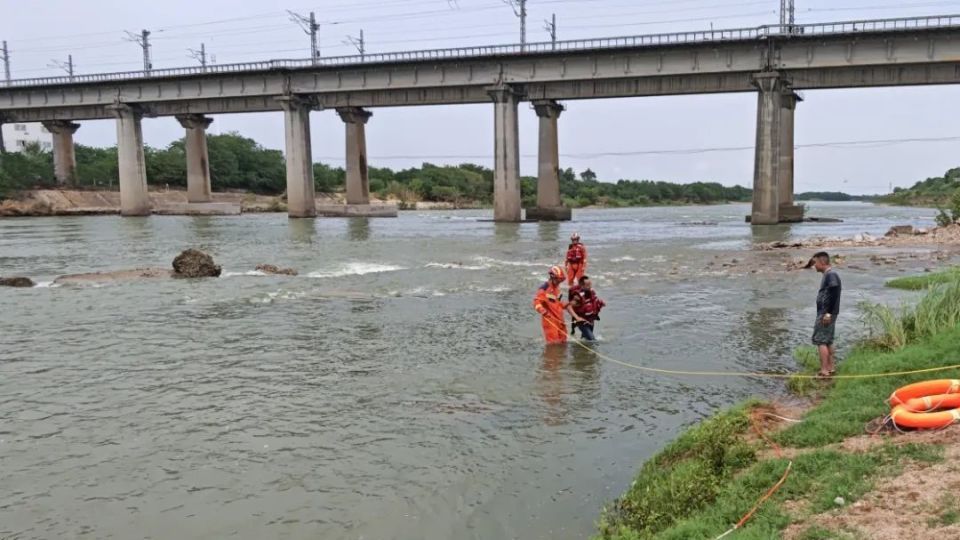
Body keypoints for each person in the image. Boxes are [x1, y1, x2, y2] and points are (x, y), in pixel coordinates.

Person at [805, 251, 842, 377]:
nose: (814, 265)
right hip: (827, 313)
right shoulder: (829, 274)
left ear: (821, 262)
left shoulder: (831, 275)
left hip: (826, 313)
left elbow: (835, 291)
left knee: (821, 341)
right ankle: (831, 368)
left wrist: (828, 313)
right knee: (828, 340)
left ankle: (824, 371)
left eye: (815, 263)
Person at [533, 265, 568, 345]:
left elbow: (557, 303)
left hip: (560, 320)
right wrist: (542, 310)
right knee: (553, 345)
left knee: (563, 342)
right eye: (558, 280)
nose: (559, 282)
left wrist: (567, 305)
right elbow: (536, 302)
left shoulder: (557, 288)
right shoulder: (544, 289)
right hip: (550, 321)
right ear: (552, 277)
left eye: (561, 280)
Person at [567, 276, 605, 341]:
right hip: (582, 322)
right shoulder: (578, 297)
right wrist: (577, 318)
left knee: (585, 340)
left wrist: (601, 303)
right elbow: (568, 306)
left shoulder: (591, 293)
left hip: (591, 321)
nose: (590, 287)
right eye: (587, 285)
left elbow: (594, 302)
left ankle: (578, 350)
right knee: (592, 341)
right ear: (582, 286)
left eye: (590, 284)